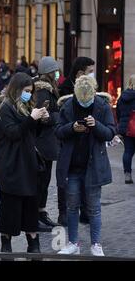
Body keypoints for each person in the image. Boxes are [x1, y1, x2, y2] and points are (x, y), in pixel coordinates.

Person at [56, 76, 116, 257]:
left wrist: (96, 125)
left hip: (93, 166)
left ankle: (96, 244)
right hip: (72, 166)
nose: (85, 102)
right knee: (72, 206)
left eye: (87, 99)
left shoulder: (102, 106)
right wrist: (72, 127)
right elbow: (58, 131)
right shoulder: (67, 106)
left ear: (93, 93)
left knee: (94, 208)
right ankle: (73, 243)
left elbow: (110, 132)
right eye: (82, 99)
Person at [0, 72, 49, 254]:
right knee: (10, 205)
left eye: (30, 91)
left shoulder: (26, 106)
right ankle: (6, 244)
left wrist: (41, 120)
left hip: (28, 163)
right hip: (11, 163)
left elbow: (32, 134)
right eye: (26, 91)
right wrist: (31, 119)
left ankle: (33, 243)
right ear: (17, 89)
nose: (28, 94)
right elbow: (14, 133)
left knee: (30, 204)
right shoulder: (5, 107)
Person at [57, 56, 96, 225]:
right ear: (81, 73)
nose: (93, 75)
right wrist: (72, 127)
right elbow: (59, 124)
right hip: (68, 141)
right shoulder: (65, 90)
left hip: (87, 141)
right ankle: (63, 212)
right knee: (66, 177)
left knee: (86, 175)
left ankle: (85, 210)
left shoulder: (92, 89)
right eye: (90, 72)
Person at [33, 57, 62, 230]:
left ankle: (41, 212)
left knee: (44, 180)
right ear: (49, 73)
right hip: (43, 143)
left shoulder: (49, 89)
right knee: (41, 181)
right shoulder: (43, 91)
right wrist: (57, 117)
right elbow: (42, 116)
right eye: (55, 71)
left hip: (48, 142)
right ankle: (35, 216)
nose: (57, 74)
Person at [117, 74, 135, 184]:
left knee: (128, 151)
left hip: (127, 128)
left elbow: (118, 112)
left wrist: (121, 125)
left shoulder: (123, 96)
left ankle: (127, 175)